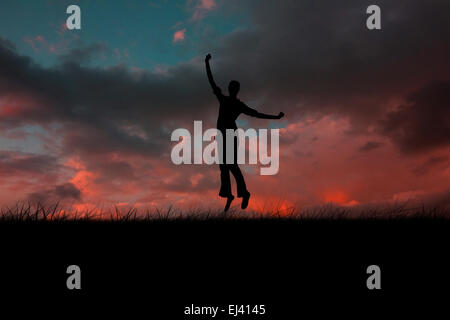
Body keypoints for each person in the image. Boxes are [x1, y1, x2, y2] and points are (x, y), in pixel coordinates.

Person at [205, 53, 285, 211]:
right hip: (224, 135)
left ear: (231, 89)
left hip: (228, 135)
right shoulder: (230, 101)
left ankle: (242, 192)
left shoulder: (229, 101)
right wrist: (276, 117)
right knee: (225, 166)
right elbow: (212, 82)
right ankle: (230, 194)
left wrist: (206, 63)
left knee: (230, 165)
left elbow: (212, 80)